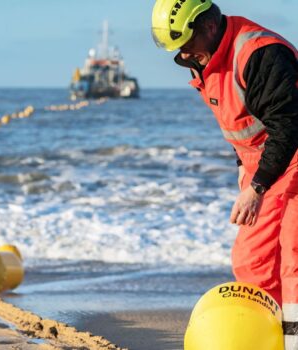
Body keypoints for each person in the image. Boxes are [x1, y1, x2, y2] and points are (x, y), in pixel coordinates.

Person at [152, 0, 298, 348]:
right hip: (267, 166)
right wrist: (243, 168)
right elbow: (241, 122)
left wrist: (258, 185)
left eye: (187, 45)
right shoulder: (201, 59)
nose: (184, 56)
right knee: (252, 260)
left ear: (210, 27)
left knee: (294, 256)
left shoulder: (260, 54)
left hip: (290, 155)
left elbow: (289, 125)